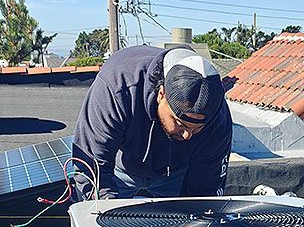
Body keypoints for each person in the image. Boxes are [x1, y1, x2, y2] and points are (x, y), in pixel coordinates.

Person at [72, 46, 232, 200]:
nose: (187, 135)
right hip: (119, 171)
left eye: (197, 128)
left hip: (174, 175)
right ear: (161, 94)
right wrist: (105, 209)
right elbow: (92, 166)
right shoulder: (119, 85)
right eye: (179, 123)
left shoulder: (217, 116)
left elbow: (206, 188)